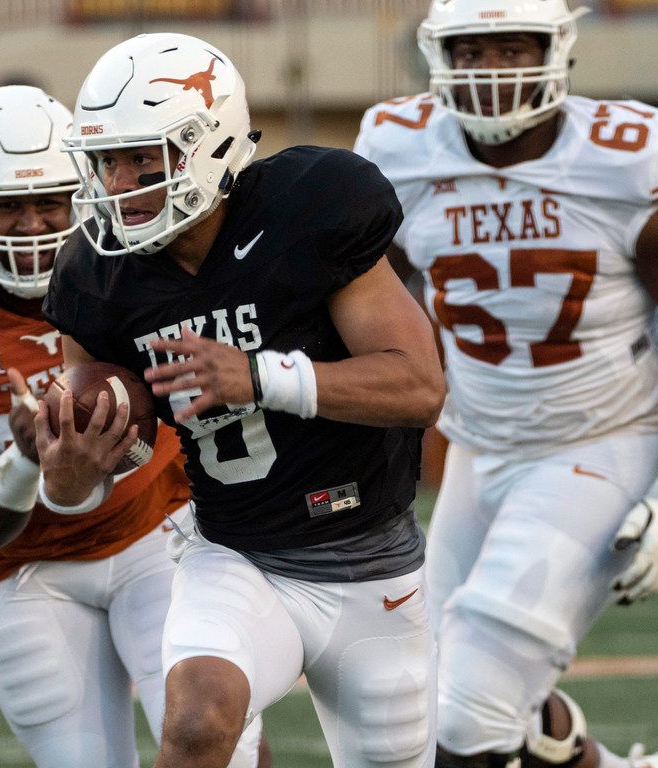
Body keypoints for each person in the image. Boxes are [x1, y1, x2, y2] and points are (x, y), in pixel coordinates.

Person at [355, 1, 658, 767]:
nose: (492, 70)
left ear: (559, 49)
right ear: (437, 55)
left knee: (465, 719)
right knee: (423, 693)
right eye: (472, 51)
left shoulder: (628, 158)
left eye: (514, 47)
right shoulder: (398, 148)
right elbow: (367, 296)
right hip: (479, 446)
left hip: (603, 444)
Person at [40, 32, 446, 768]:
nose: (120, 182)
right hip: (236, 555)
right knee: (195, 726)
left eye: (143, 159)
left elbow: (419, 386)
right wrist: (66, 470)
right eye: (107, 160)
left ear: (208, 144)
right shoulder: (96, 277)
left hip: (371, 561)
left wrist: (260, 377)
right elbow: (89, 476)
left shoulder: (308, 209)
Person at [0, 85, 267, 768]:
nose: (33, 225)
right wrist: (25, 458)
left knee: (222, 745)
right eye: (6, 204)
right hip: (25, 567)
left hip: (159, 532)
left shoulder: (144, 248)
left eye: (51, 201)